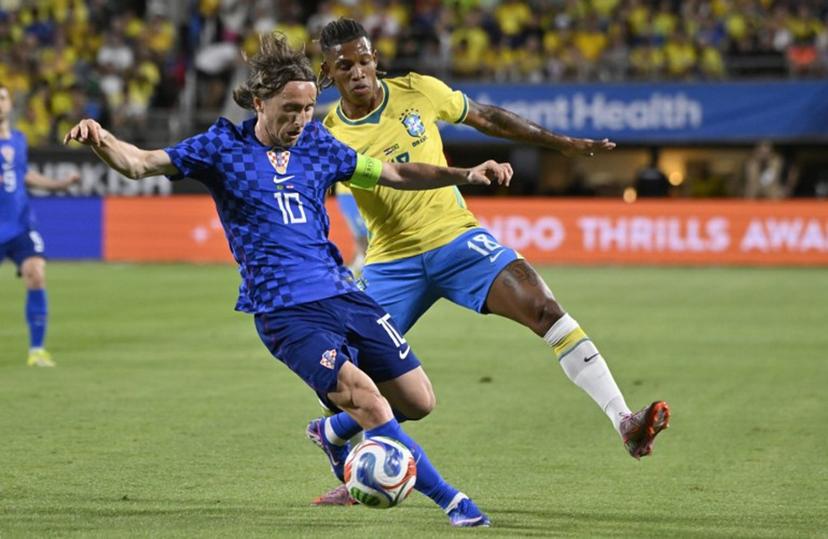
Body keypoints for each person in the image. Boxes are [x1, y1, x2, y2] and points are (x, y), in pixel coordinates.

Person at [64, 33, 513, 528]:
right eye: (290, 109)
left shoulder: (320, 144)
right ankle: (454, 502)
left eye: (308, 108)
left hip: (342, 291)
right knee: (367, 397)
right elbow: (141, 163)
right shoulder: (221, 148)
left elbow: (393, 174)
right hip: (284, 309)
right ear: (259, 102)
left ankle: (330, 432)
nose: (301, 120)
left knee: (418, 400)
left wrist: (466, 174)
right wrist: (101, 139)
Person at [311, 18, 670, 505]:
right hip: (390, 262)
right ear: (328, 74)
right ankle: (348, 449)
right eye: (345, 66)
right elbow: (395, 176)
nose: (359, 71)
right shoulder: (327, 135)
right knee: (354, 371)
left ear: (376, 58)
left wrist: (560, 143)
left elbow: (487, 118)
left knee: (544, 308)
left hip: (456, 240)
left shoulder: (418, 90)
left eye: (365, 59)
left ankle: (624, 420)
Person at [0, 84, 80, 367]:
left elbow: (25, 176)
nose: (0, 103)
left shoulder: (19, 140)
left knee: (36, 273)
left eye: (3, 98)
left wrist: (59, 185)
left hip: (20, 224)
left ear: (10, 104)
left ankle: (37, 351)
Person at [334, 182, 369, 275]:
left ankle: (363, 263)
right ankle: (359, 260)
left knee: (366, 233)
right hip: (345, 192)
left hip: (364, 189)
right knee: (358, 233)